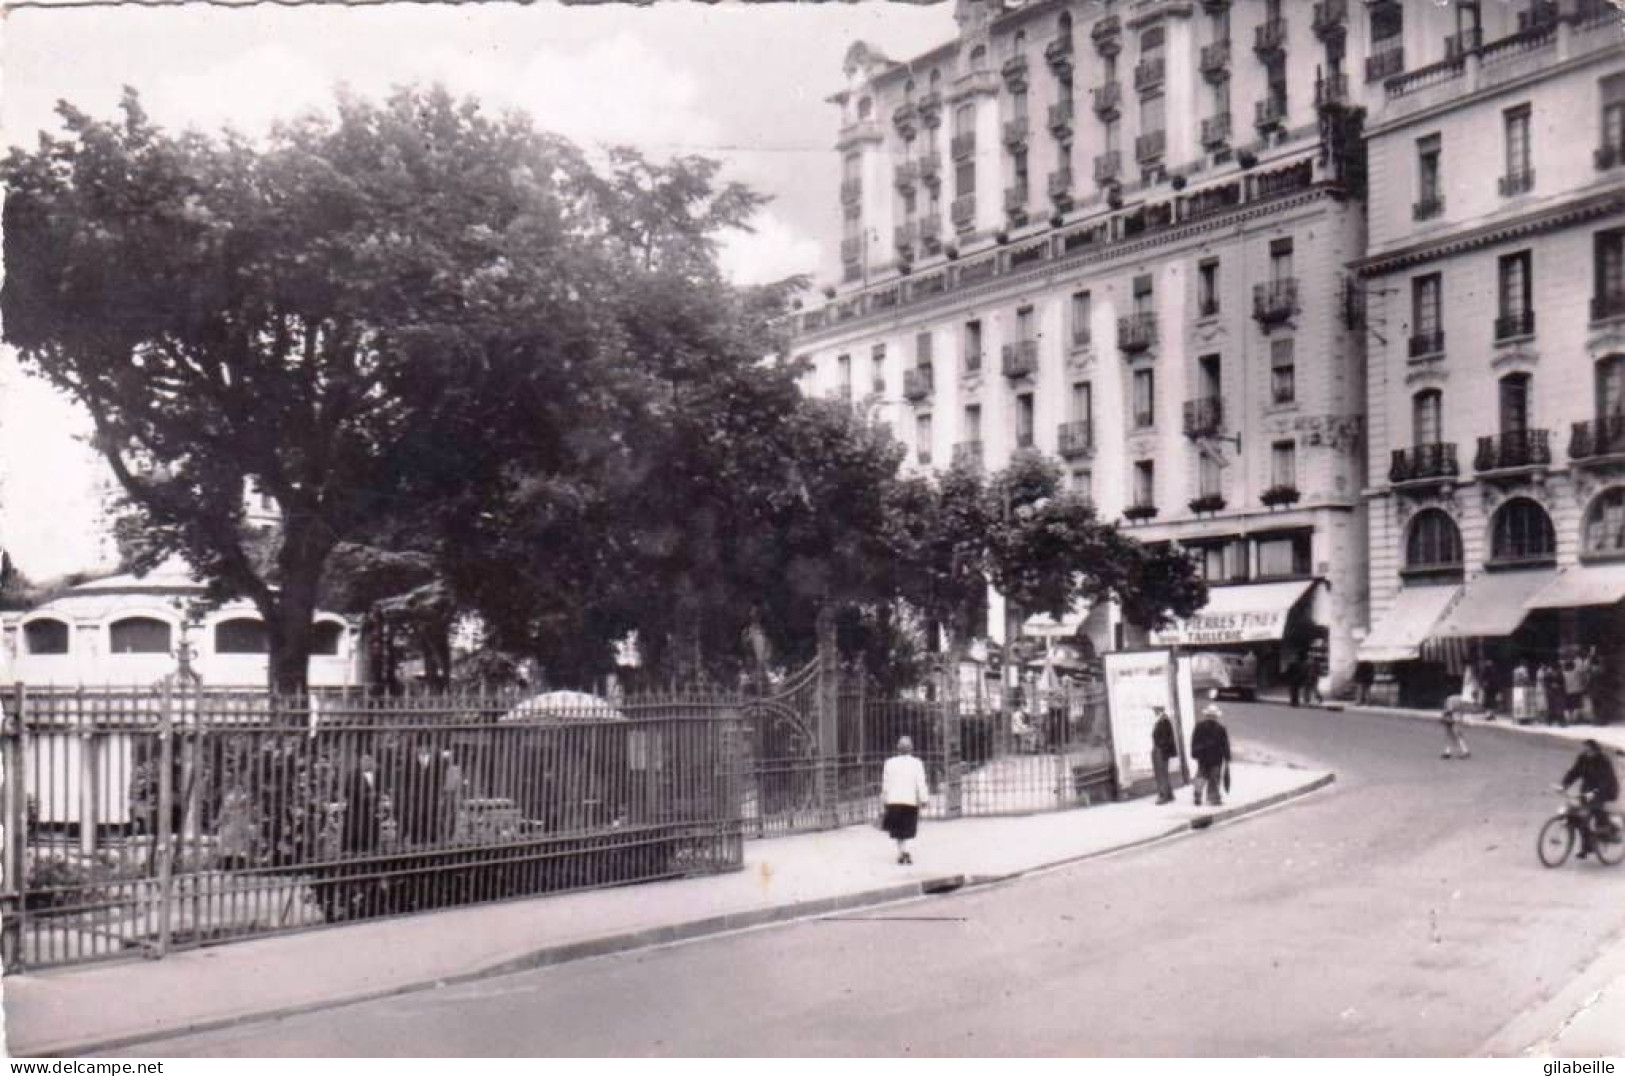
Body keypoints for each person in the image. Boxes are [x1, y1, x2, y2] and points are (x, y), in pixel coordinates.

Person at [1559, 739, 1620, 859]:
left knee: (1587, 815)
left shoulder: (1603, 760)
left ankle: (1606, 832)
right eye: (1585, 749)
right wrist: (1564, 785)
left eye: (1589, 750)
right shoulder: (1583, 758)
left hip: (1605, 790)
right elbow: (1574, 772)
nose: (1587, 752)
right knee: (1578, 817)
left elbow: (1606, 780)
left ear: (1595, 750)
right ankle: (1586, 847)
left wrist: (1595, 792)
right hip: (1587, 790)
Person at [881, 736, 931, 865]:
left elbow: (886, 784)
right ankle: (906, 851)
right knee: (909, 828)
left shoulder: (889, 763)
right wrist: (924, 798)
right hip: (910, 800)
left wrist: (884, 799)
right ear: (911, 749)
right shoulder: (917, 763)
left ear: (898, 748)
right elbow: (921, 783)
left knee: (897, 829)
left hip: (894, 800)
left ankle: (900, 853)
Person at [1189, 704, 1231, 807]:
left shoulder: (1199, 726)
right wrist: (1227, 756)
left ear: (1207, 715)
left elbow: (1194, 741)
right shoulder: (1221, 728)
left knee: (1201, 775)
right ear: (1216, 716)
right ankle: (1213, 798)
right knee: (1214, 777)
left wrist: (1194, 753)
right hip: (1216, 757)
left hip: (1202, 756)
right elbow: (1224, 744)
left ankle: (1197, 794)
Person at [1151, 706, 1177, 805]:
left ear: (1160, 710)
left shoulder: (1164, 721)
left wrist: (1160, 747)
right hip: (1160, 750)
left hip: (1160, 751)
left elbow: (1167, 738)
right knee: (1163, 773)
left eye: (1155, 710)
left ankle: (1163, 796)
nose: (1154, 711)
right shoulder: (1161, 721)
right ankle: (1169, 794)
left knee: (1161, 774)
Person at [1440, 696, 1471, 760]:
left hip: (1452, 718)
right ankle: (1449, 751)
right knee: (1456, 735)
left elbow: (1449, 709)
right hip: (1457, 717)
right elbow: (1462, 711)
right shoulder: (1460, 699)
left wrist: (1444, 716)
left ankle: (1462, 751)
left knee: (1451, 735)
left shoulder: (1449, 699)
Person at [1543, 659, 1568, 727]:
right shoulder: (1549, 674)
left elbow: (1563, 683)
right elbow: (1546, 683)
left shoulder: (1559, 674)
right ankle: (1551, 721)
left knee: (1558, 707)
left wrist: (1558, 686)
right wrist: (1552, 685)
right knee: (1552, 707)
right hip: (1552, 692)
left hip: (1557, 692)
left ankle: (1559, 721)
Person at [1511, 660, 1533, 725]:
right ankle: (1523, 719)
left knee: (1517, 703)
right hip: (1522, 687)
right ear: (1525, 664)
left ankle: (1515, 718)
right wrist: (1530, 684)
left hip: (1516, 687)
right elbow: (1526, 678)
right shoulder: (1524, 670)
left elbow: (1514, 678)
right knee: (1523, 704)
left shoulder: (1515, 670)